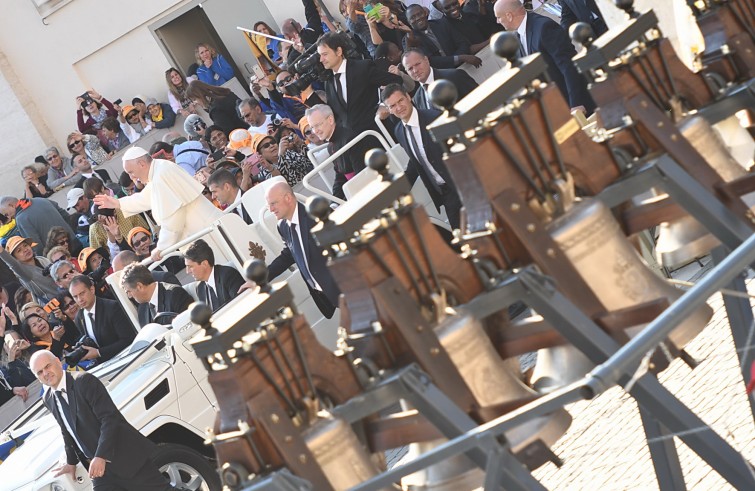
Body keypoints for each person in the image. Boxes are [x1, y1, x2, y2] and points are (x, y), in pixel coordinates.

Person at [29, 350, 177, 490]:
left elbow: (110, 418)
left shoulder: (83, 381)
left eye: (47, 366)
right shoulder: (48, 398)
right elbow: (67, 429)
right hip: (101, 473)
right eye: (40, 372)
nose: (46, 373)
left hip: (124, 458)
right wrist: (71, 461)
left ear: (57, 362)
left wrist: (101, 456)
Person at [93, 147, 223, 261]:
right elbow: (144, 199)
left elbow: (173, 220)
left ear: (142, 164)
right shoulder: (157, 172)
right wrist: (117, 203)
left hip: (210, 235)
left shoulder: (161, 175)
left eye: (131, 172)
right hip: (205, 235)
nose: (132, 178)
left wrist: (160, 248)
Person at [493, 0, 596, 114]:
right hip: (556, 106)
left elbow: (568, 65)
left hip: (577, 103)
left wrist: (576, 103)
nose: (497, 21)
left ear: (509, 15)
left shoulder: (544, 27)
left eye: (498, 17)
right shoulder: (516, 37)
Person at [381, 83, 462, 228]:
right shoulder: (399, 131)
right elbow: (415, 161)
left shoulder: (434, 118)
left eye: (400, 101)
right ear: (388, 110)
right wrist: (398, 189)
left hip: (461, 183)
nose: (399, 108)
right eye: (392, 106)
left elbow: (458, 148)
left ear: (408, 97)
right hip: (445, 194)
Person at [266, 181, 340, 318]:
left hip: (345, 287)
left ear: (288, 198)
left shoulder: (316, 214)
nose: (270, 209)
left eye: (273, 203)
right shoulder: (282, 226)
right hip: (328, 296)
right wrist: (262, 277)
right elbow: (288, 254)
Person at [317, 31, 403, 133]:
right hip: (356, 140)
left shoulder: (362, 67)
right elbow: (334, 113)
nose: (321, 59)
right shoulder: (328, 83)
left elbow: (395, 81)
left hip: (379, 132)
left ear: (339, 51)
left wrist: (384, 105)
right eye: (320, 55)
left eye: (325, 54)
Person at [306, 104, 370, 200]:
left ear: (330, 120)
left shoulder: (349, 139)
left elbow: (362, 176)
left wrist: (345, 202)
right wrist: (335, 202)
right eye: (312, 128)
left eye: (317, 125)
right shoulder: (330, 146)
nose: (315, 131)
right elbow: (340, 176)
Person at [69, 274, 135, 364]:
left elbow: (129, 339)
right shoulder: (79, 318)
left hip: (128, 360)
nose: (79, 299)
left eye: (82, 293)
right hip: (105, 367)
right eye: (75, 297)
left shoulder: (112, 307)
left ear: (92, 289)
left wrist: (99, 353)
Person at [402, 4, 482, 68]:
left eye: (419, 14)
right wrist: (459, 58)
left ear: (425, 13)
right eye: (412, 17)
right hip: (442, 75)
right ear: (409, 22)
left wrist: (457, 61)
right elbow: (431, 61)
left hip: (465, 65)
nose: (418, 18)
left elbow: (463, 43)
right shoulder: (409, 39)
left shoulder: (442, 23)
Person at [0, 196, 78, 256]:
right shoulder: (40, 199)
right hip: (74, 242)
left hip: (60, 255)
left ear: (11, 205)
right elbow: (66, 216)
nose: (9, 218)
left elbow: (35, 246)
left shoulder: (20, 218)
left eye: (6, 214)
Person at [402, 48, 478, 109]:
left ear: (426, 60)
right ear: (406, 71)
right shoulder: (417, 98)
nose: (415, 70)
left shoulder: (455, 76)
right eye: (410, 68)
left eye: (417, 64)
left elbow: (479, 99)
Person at [120, 263, 192, 327]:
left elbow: (189, 325)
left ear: (139, 286)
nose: (129, 296)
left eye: (129, 291)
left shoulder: (175, 295)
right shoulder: (142, 310)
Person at [183, 239, 244, 312]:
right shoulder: (200, 288)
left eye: (190, 266)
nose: (187, 271)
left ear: (204, 264)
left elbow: (241, 305)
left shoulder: (228, 275)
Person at [0, 236, 58, 304]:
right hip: (56, 304)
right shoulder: (24, 273)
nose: (25, 250)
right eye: (19, 250)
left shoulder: (41, 259)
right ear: (15, 258)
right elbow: (12, 263)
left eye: (25, 245)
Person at [436, 0, 501, 51]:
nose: (453, 8)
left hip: (489, 51)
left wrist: (481, 5)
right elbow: (468, 49)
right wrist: (489, 41)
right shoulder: (445, 26)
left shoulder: (466, 13)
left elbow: (484, 29)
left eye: (454, 4)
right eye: (447, 7)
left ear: (458, 2)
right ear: (442, 10)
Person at [111, 250, 180, 286]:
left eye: (118, 274)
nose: (118, 279)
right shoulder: (131, 296)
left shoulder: (163, 279)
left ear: (131, 267)